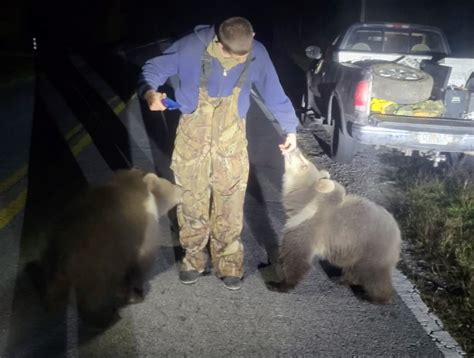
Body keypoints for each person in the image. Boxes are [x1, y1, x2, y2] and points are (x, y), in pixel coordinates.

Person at [138, 16, 298, 290]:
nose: (241, 59)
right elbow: (153, 68)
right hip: (192, 137)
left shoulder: (257, 51)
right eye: (235, 55)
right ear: (220, 44)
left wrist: (290, 129)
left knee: (230, 202)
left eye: (245, 54)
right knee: (191, 199)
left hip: (231, 140)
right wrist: (150, 92)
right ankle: (193, 259)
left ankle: (229, 264)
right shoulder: (190, 46)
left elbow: (274, 91)